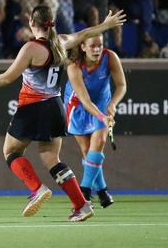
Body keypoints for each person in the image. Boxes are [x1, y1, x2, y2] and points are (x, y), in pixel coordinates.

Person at [0, 5, 126, 222]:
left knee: (11, 151)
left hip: (32, 107)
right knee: (51, 158)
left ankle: (37, 189)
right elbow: (86, 34)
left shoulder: (31, 48)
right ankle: (81, 205)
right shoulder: (62, 41)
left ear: (32, 22)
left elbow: (7, 77)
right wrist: (106, 25)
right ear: (52, 22)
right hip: (55, 107)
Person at [64, 34, 126, 208]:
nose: (98, 49)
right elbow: (85, 101)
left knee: (98, 144)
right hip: (77, 106)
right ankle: (103, 191)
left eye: (100, 45)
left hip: (102, 103)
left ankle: (84, 191)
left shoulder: (110, 57)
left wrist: (112, 104)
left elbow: (121, 85)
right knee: (87, 152)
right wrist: (102, 117)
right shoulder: (74, 67)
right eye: (93, 46)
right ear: (83, 47)